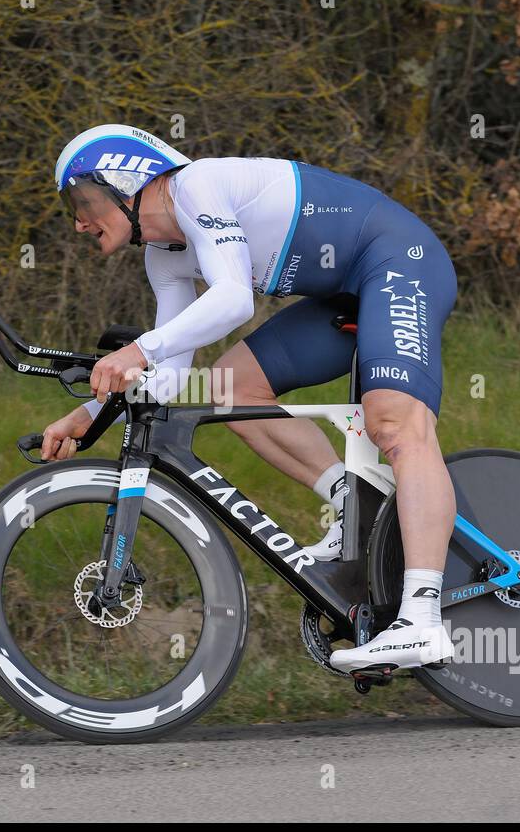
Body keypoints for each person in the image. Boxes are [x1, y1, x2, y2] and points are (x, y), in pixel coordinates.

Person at [40, 124, 457, 673]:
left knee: (395, 424)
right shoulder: (164, 256)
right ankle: (353, 501)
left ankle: (422, 621)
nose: (79, 221)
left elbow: (234, 299)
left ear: (125, 181)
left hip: (398, 260)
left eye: (84, 200)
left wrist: (137, 350)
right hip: (344, 290)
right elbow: (169, 377)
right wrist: (89, 414)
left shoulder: (197, 186)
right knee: (227, 388)